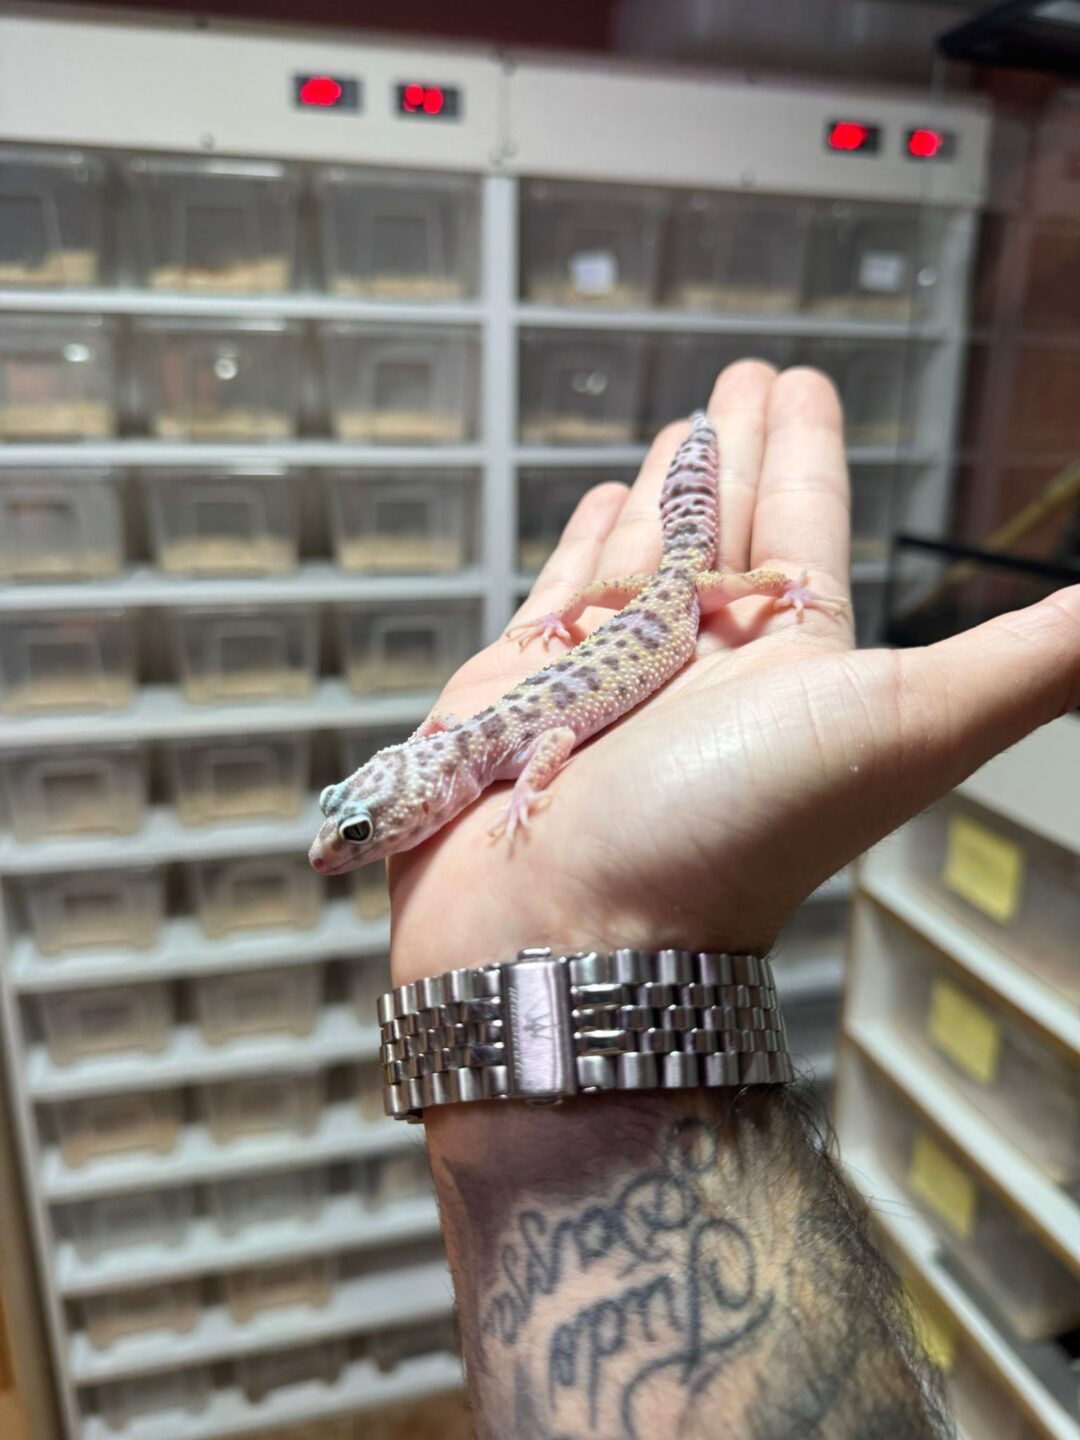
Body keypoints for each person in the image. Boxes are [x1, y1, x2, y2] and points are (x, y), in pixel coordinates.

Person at [386, 361, 1080, 1440]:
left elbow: (568, 719)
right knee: (676, 569)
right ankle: (703, 461)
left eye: (362, 834)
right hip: (646, 611)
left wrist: (771, 591)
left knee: (692, 573)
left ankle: (708, 464)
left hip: (669, 600)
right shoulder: (461, 748)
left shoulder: (548, 705)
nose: (354, 852)